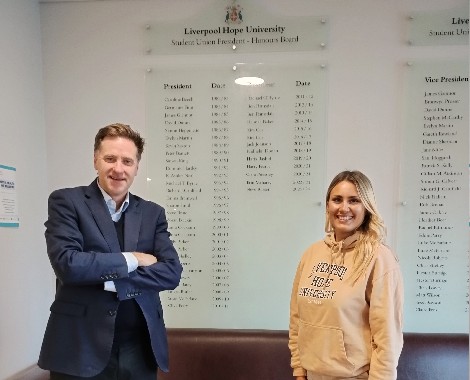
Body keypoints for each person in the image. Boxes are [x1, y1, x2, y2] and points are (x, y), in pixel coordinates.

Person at [38, 123, 183, 380]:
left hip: (139, 349)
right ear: (95, 160)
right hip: (79, 346)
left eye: (127, 161)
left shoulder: (152, 213)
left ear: (137, 167)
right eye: (110, 158)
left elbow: (171, 273)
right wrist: (134, 259)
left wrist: (105, 278)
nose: (118, 168)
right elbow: (68, 264)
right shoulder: (67, 202)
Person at [288, 170, 403, 380]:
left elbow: (387, 338)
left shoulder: (379, 258)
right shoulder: (311, 254)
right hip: (310, 375)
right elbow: (297, 319)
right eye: (337, 200)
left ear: (366, 207)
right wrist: (299, 370)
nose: (344, 208)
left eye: (354, 200)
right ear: (327, 205)